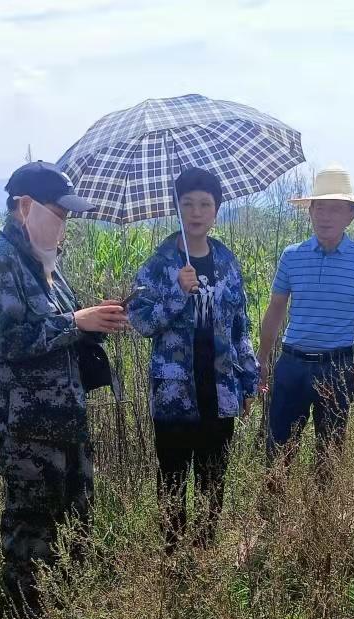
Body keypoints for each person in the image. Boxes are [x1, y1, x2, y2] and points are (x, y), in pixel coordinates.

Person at [0, 161, 127, 619]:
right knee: (32, 534)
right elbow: (11, 338)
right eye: (59, 213)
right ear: (24, 207)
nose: (64, 224)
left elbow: (64, 327)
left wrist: (96, 320)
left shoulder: (46, 265)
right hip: (26, 428)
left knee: (77, 526)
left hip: (66, 419)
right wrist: (76, 322)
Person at [126, 167, 257, 547]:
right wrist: (177, 294)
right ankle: (172, 563)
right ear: (177, 209)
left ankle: (203, 558)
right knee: (171, 482)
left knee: (213, 481)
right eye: (187, 204)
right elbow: (142, 320)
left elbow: (240, 326)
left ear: (216, 210)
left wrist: (249, 380)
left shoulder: (226, 261)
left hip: (219, 389)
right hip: (174, 394)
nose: (196, 212)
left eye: (205, 204)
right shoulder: (160, 262)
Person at [258, 165, 354, 468]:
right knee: (277, 453)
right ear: (310, 212)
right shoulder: (292, 256)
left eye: (335, 209)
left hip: (337, 367)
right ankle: (274, 514)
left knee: (329, 454)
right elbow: (276, 309)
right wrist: (263, 359)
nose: (325, 216)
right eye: (319, 208)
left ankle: (321, 514)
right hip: (292, 365)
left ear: (351, 215)